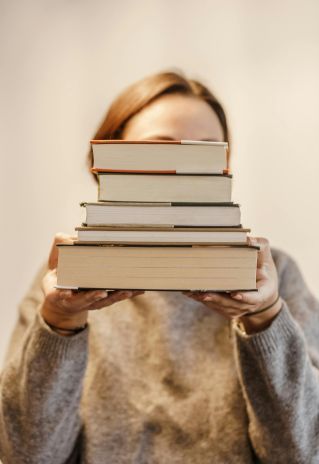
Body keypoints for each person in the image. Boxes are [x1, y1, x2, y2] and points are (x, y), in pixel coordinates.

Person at [1, 71, 319, 464]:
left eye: (206, 154)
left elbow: (303, 453)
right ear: (108, 162)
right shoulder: (67, 282)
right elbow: (26, 454)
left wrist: (265, 318)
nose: (185, 170)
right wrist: (60, 322)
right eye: (159, 150)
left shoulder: (273, 275)